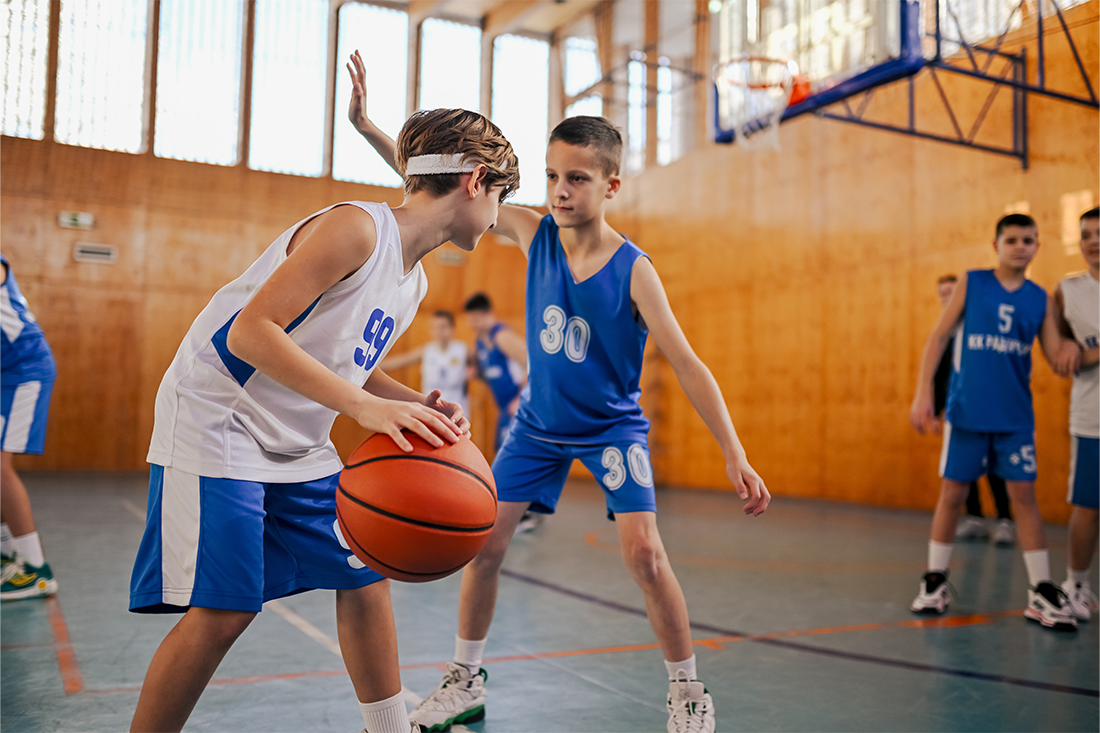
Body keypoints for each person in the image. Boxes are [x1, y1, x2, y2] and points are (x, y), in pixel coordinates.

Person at [350, 59, 769, 733]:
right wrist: (370, 127)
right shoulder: (531, 232)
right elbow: (437, 186)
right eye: (552, 176)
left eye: (576, 178)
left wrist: (734, 452)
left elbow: (688, 363)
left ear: (611, 184)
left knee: (645, 554)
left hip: (612, 430)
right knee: (483, 547)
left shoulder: (636, 271)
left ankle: (688, 689)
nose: (560, 190)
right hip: (538, 428)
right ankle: (465, 678)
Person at [127, 73, 519, 733]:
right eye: (504, 196)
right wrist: (366, 412)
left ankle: (388, 726)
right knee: (225, 611)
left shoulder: (413, 279)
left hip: (297, 439)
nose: (501, 214)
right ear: (476, 181)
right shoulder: (357, 229)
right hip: (219, 419)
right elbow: (251, 332)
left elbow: (345, 368)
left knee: (364, 571)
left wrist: (408, 401)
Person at [909, 213, 1081, 630]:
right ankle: (935, 581)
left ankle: (1040, 589)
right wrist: (923, 393)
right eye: (1012, 240)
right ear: (996, 245)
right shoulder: (973, 281)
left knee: (1024, 497)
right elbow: (938, 337)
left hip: (1014, 417)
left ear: (1038, 246)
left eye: (1028, 240)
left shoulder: (1040, 298)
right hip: (967, 411)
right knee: (953, 494)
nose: (1020, 246)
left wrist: (1078, 348)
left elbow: (1059, 356)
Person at [932, 274, 1014, 545]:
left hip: (988, 409)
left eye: (951, 293)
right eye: (943, 294)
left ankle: (1005, 519)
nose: (948, 298)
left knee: (994, 466)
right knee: (962, 469)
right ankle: (975, 518)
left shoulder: (980, 326)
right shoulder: (944, 332)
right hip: (958, 412)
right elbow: (940, 375)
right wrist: (935, 408)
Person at [0, 255, 59, 601]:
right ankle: (10, 556)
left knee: (0, 466)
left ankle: (36, 571)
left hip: (25, 371)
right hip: (7, 370)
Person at [1052, 206, 1099, 622]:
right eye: (1086, 235)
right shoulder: (1066, 290)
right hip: (1093, 418)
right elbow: (1060, 353)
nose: (1094, 241)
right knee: (1088, 505)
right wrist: (1068, 347)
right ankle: (1078, 586)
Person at [462, 292, 526, 453]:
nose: (472, 324)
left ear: (487, 314)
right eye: (470, 319)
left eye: (475, 319)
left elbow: (532, 364)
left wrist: (520, 398)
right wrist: (475, 373)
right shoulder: (479, 342)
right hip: (505, 408)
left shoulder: (502, 337)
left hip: (519, 406)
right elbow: (491, 373)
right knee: (500, 451)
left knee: (511, 454)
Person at [381, 309, 470, 419]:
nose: (439, 331)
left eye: (443, 327)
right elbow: (399, 361)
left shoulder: (463, 351)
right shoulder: (426, 351)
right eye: (435, 327)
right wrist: (370, 368)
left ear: (452, 329)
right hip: (432, 413)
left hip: (457, 414)